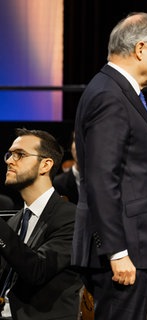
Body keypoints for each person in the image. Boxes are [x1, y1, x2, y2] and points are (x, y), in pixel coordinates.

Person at [72, 12, 147, 320]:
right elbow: (100, 178)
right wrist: (117, 251)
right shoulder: (109, 95)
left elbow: (125, 170)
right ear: (141, 49)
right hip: (126, 251)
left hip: (137, 247)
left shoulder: (115, 91)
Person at [1, 128, 83, 319]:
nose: (9, 161)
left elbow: (36, 270)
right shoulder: (15, 221)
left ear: (45, 165)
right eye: (10, 154)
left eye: (19, 155)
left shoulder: (72, 218)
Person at [53, 131, 79, 204]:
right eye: (76, 140)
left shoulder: (108, 182)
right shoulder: (56, 184)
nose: (80, 145)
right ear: (71, 147)